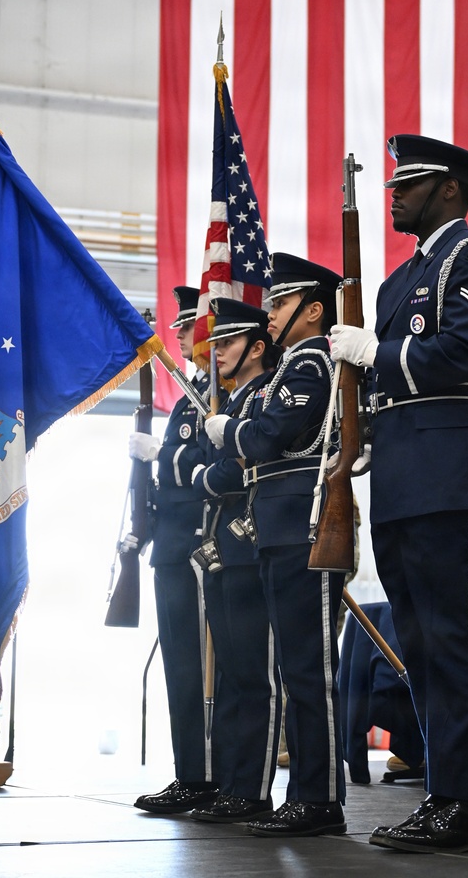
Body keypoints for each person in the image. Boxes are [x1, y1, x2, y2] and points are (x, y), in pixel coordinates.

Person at [330, 135, 468, 855]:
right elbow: (381, 381)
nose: (393, 193)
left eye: (408, 183)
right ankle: (443, 794)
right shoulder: (394, 282)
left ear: (449, 189)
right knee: (420, 644)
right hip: (404, 473)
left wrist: (378, 355)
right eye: (393, 183)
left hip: (454, 465)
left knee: (454, 640)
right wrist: (366, 430)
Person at [205, 253, 347, 838]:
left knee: (310, 671)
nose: (270, 315)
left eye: (282, 304)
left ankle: (320, 797)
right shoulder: (291, 367)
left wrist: (230, 431)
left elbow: (266, 438)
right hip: (277, 528)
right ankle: (305, 793)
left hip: (303, 529)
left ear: (313, 310)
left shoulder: (310, 365)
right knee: (294, 669)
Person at [188, 298, 283, 823]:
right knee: (230, 672)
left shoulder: (266, 395)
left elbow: (241, 464)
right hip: (224, 539)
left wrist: (212, 475)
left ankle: (253, 789)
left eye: (227, 341)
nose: (216, 350)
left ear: (258, 346)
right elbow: (212, 463)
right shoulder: (229, 401)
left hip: (251, 537)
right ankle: (231, 781)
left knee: (255, 674)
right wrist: (213, 472)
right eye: (215, 341)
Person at [132, 286, 217, 816]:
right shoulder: (193, 393)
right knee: (181, 669)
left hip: (197, 544)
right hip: (172, 542)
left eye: (188, 325)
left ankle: (210, 775)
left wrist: (161, 458)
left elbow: (207, 464)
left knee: (205, 669)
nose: (180, 335)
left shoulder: (214, 394)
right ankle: (192, 772)